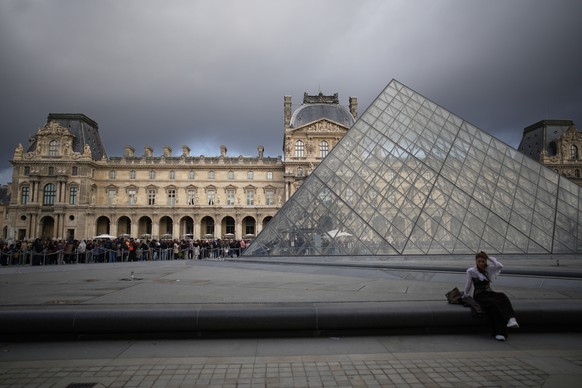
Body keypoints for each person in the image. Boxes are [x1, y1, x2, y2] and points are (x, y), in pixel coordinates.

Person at [463, 251, 519, 341]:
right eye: (479, 261)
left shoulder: (489, 269)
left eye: (483, 261)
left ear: (486, 261)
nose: (481, 263)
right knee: (494, 304)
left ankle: (511, 319)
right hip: (479, 295)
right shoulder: (471, 271)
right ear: (476, 261)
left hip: (489, 292)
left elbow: (500, 266)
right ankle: (499, 332)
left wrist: (489, 258)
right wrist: (465, 295)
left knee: (502, 296)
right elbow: (468, 285)